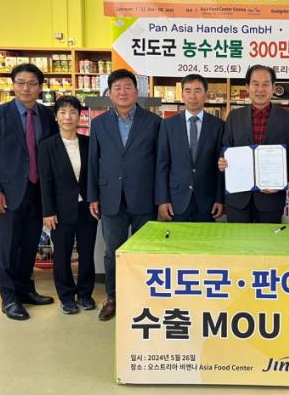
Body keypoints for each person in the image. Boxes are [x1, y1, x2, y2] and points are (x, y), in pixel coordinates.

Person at [0, 63, 58, 320]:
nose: (26, 88)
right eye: (21, 83)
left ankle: (26, 290)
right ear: (13, 85)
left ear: (40, 87)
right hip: (8, 192)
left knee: (30, 244)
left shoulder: (47, 115)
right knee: (9, 246)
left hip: (38, 191)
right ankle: (9, 297)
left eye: (32, 83)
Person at [88, 68, 161, 321]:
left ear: (136, 92)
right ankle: (113, 298)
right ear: (109, 93)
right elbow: (94, 162)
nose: (122, 92)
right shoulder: (99, 124)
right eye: (117, 88)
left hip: (144, 197)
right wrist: (93, 196)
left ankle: (142, 298)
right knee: (113, 252)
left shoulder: (154, 122)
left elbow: (160, 163)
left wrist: (161, 198)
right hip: (110, 198)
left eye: (128, 87)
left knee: (144, 251)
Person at [38, 96, 98, 315]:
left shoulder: (89, 143)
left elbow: (94, 176)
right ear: (56, 117)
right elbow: (45, 181)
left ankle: (85, 294)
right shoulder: (47, 146)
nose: (68, 117)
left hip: (87, 208)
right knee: (62, 255)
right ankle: (66, 297)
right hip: (60, 210)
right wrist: (48, 211)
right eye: (63, 112)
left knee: (87, 253)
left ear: (79, 116)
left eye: (73, 112)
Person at [218, 65, 289, 223]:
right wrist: (222, 162)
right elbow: (225, 148)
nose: (260, 89)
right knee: (238, 238)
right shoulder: (234, 116)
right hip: (238, 197)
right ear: (247, 87)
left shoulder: (287, 118)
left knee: (268, 239)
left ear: (273, 87)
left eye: (265, 84)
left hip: (271, 199)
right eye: (255, 84)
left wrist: (280, 183)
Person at [156, 74, 224, 222]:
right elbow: (162, 165)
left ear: (206, 95)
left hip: (207, 199)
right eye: (188, 90)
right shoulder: (168, 125)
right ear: (182, 95)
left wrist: (220, 198)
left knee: (205, 237)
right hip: (176, 200)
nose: (193, 96)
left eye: (198, 90)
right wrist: (163, 199)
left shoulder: (218, 125)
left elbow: (219, 166)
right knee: (177, 237)